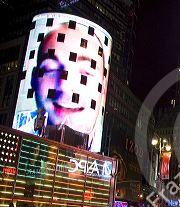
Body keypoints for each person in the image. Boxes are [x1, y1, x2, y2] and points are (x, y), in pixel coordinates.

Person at [13, 19, 110, 152]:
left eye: (86, 72)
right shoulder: (20, 133)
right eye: (51, 69)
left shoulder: (103, 148)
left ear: (103, 89)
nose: (64, 87)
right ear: (34, 79)